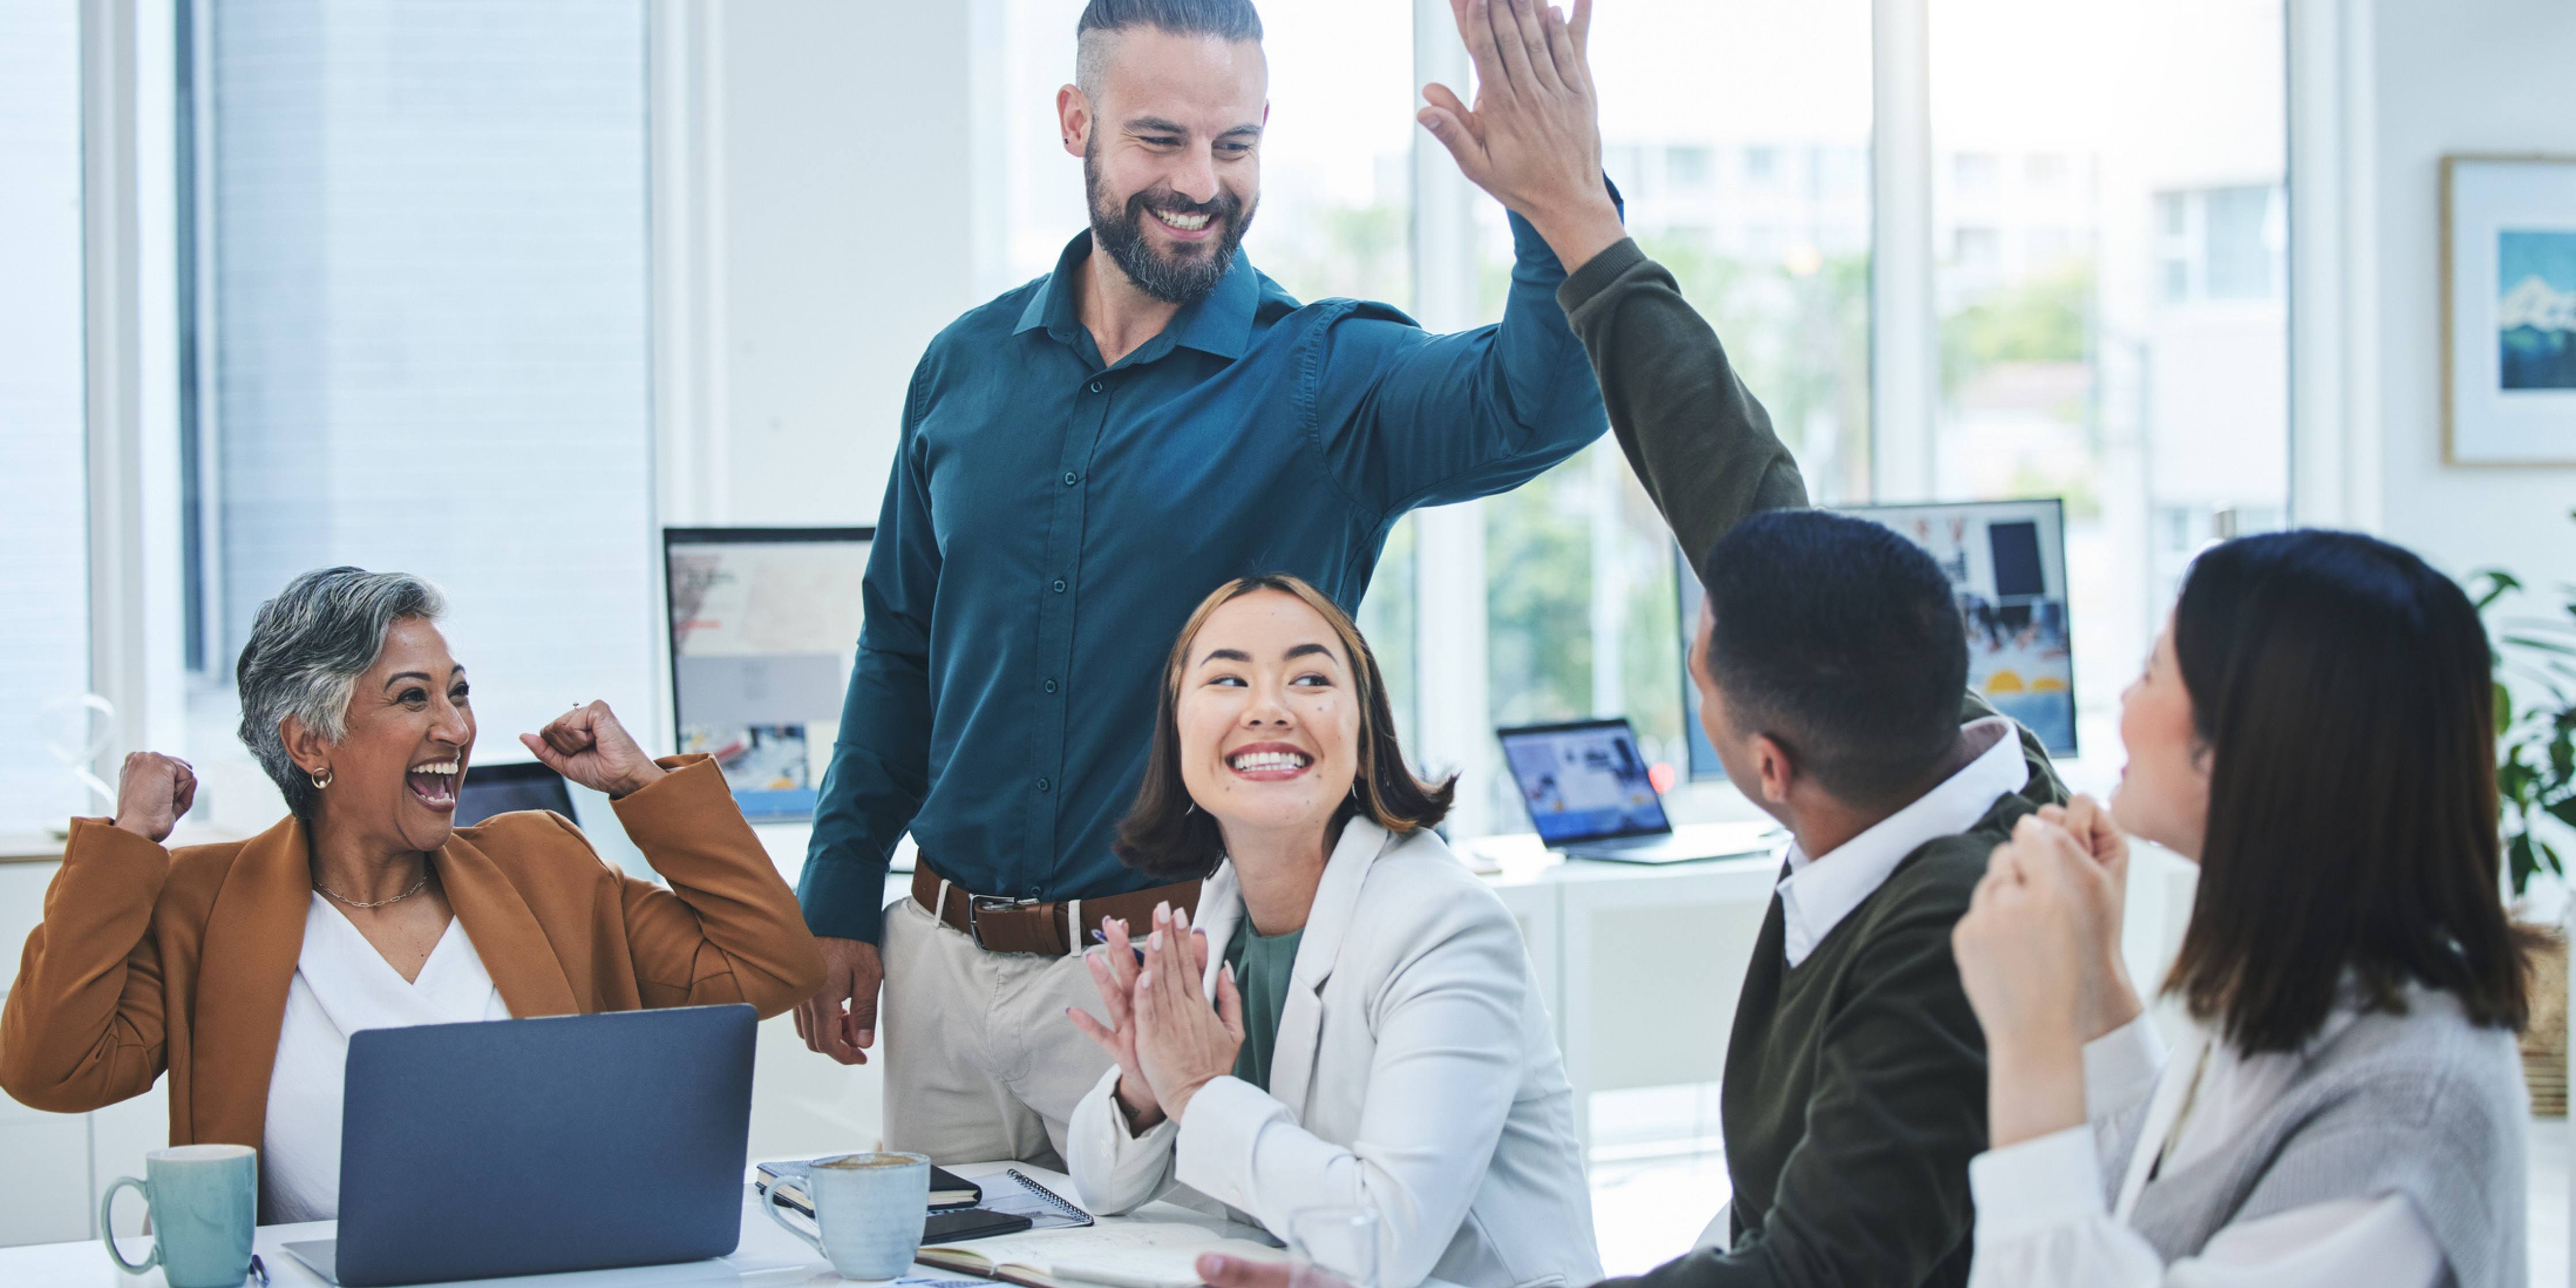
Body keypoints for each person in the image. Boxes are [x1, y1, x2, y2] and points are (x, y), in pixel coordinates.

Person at [791, 0, 1632, 1169]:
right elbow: (898, 645)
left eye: (1234, 146)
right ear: (1075, 121)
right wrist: (837, 884)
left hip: (1161, 982)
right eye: (1159, 140)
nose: (1200, 182)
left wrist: (1560, 199)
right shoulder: (963, 366)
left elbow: (1538, 403)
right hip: (936, 962)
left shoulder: (1324, 377)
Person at [0, 567, 824, 1223]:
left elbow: (772, 966)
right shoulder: (204, 904)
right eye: (413, 697)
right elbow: (51, 1070)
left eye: (458, 691)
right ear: (311, 742)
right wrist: (127, 847)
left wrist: (645, 786)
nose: (457, 728)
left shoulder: (542, 863)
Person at [1952, 531, 2533, 1287]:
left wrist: (2032, 1039)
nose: (2125, 702)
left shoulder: (2409, 1115)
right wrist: (2094, 981)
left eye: (2150, 671)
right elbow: (2146, 1216)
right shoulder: (2296, 983)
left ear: (2241, 746)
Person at [1062, 574, 1600, 1288]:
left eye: (1309, 677)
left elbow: (1382, 1240)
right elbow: (1103, 1188)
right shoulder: (1221, 909)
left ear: (1363, 725)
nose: (1267, 709)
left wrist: (1194, 1088)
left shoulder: (1446, 926)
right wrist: (1144, 1088)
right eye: (1226, 679)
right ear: (1176, 728)